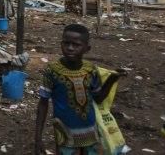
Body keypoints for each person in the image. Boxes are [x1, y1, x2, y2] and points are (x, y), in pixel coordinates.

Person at [34, 23, 120, 155]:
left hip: (90, 130)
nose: (70, 48)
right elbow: (43, 103)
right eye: (66, 43)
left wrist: (111, 80)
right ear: (61, 44)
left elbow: (98, 98)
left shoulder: (91, 69)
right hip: (65, 132)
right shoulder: (52, 71)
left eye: (76, 45)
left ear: (87, 48)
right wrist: (38, 138)